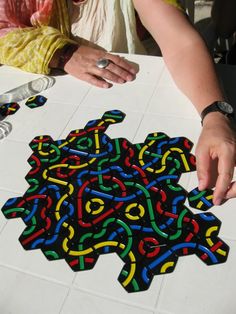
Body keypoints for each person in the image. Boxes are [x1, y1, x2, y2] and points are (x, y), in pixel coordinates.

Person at [0, 0, 235, 205]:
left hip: (133, 104)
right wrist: (60, 52)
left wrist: (215, 114)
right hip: (49, 114)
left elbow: (180, 42)